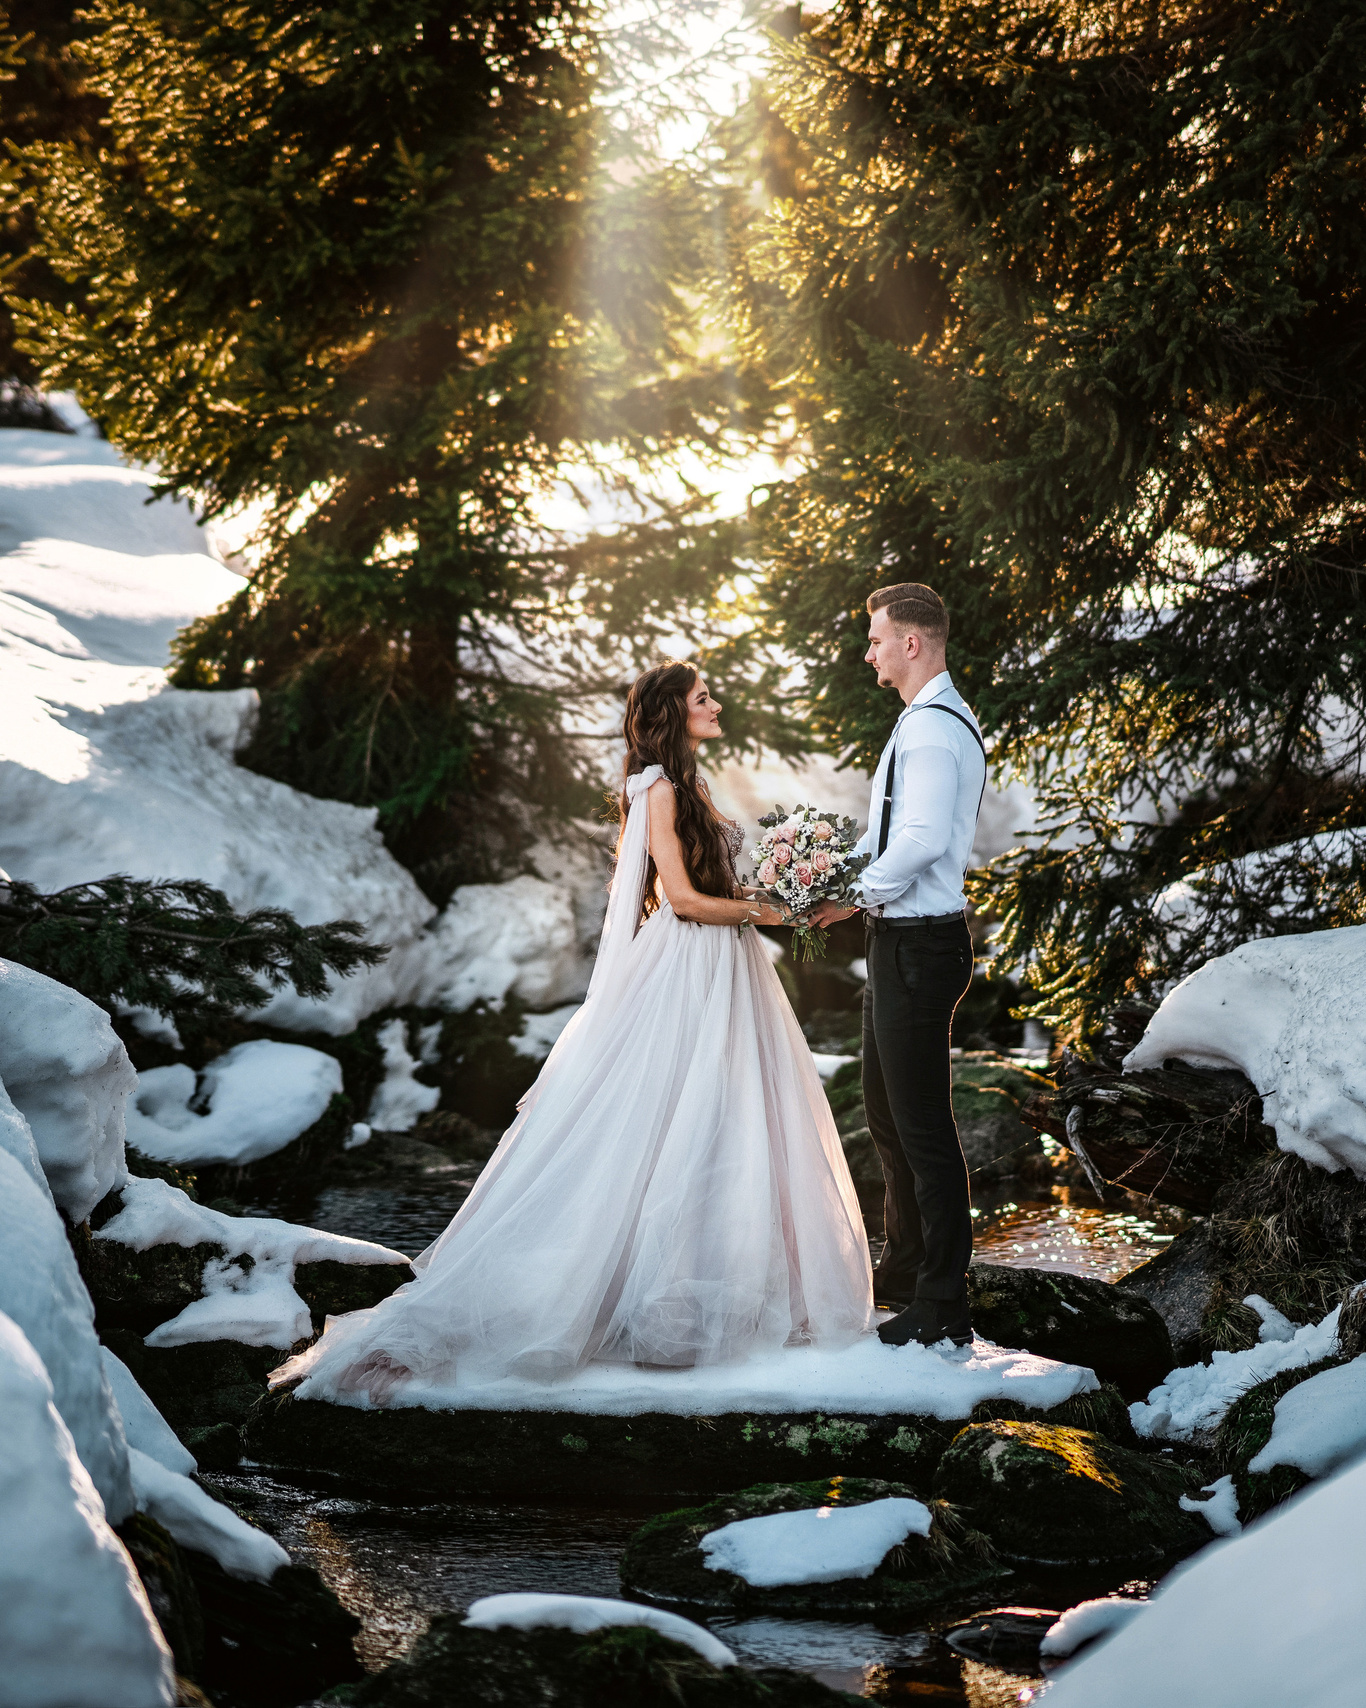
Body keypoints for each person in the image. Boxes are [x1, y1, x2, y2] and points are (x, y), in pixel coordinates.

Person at [272, 660, 873, 1404]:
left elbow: (712, 888)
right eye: (702, 697)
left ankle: (703, 1295)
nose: (716, 704)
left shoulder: (691, 787)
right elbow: (682, 900)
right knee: (667, 1121)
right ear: (669, 713)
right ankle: (633, 1301)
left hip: (728, 967)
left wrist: (790, 896)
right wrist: (775, 913)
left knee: (725, 1121)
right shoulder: (657, 786)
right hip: (689, 967)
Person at [808, 581, 986, 1349]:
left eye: (877, 638)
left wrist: (850, 898)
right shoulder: (922, 721)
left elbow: (917, 842)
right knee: (884, 1113)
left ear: (912, 643)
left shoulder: (933, 730)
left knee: (922, 1128)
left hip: (920, 943)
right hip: (899, 943)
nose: (870, 651)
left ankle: (943, 1301)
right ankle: (906, 1266)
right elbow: (890, 835)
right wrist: (820, 873)